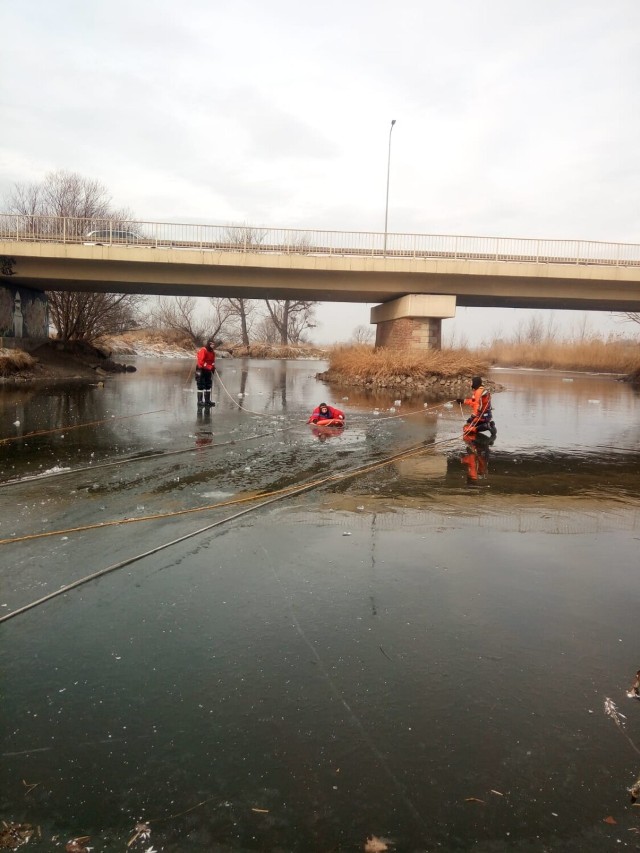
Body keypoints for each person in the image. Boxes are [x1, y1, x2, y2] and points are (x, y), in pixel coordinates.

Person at [195, 340, 216, 408]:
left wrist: (212, 367)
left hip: (208, 370)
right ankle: (200, 401)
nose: (213, 346)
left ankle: (207, 400)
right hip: (200, 369)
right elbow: (201, 361)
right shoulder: (203, 350)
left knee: (208, 384)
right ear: (208, 344)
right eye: (211, 344)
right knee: (200, 384)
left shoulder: (212, 352)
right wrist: (209, 367)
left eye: (213, 345)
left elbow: (212, 361)